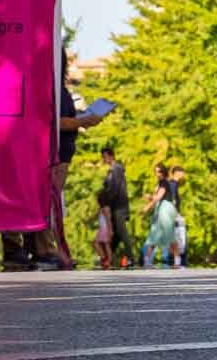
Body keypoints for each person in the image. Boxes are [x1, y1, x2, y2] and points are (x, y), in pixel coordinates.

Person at [35, 52, 104, 270]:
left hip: (63, 154)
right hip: (55, 155)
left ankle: (50, 248)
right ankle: (46, 249)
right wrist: (82, 120)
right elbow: (57, 121)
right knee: (49, 202)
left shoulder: (60, 89)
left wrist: (83, 118)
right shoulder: (50, 88)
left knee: (53, 203)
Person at [99, 147, 135, 267]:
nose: (104, 159)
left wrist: (106, 201)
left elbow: (114, 189)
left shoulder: (117, 169)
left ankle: (131, 258)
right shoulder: (112, 170)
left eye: (105, 156)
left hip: (119, 206)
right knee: (117, 234)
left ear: (111, 156)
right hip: (115, 206)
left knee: (122, 232)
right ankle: (108, 257)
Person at [141, 164, 179, 267]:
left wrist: (148, 203)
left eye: (159, 171)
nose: (157, 174)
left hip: (166, 209)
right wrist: (149, 203)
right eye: (156, 171)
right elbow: (157, 199)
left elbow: (159, 197)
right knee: (155, 234)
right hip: (160, 208)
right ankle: (147, 260)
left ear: (164, 172)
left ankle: (177, 261)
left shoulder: (164, 183)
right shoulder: (161, 183)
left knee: (169, 234)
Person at [93, 190, 114, 269]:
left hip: (105, 229)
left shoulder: (106, 208)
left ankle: (105, 258)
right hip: (102, 228)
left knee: (99, 243)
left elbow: (108, 220)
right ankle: (107, 259)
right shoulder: (102, 208)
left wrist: (110, 230)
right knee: (105, 244)